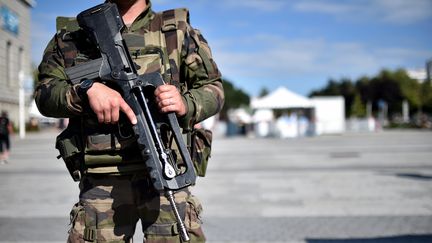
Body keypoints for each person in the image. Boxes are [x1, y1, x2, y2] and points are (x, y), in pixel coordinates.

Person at [34, 0, 224, 242]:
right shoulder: (73, 35)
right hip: (103, 180)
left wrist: (186, 103)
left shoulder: (176, 30)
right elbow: (44, 93)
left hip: (167, 174)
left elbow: (213, 88)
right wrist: (87, 91)